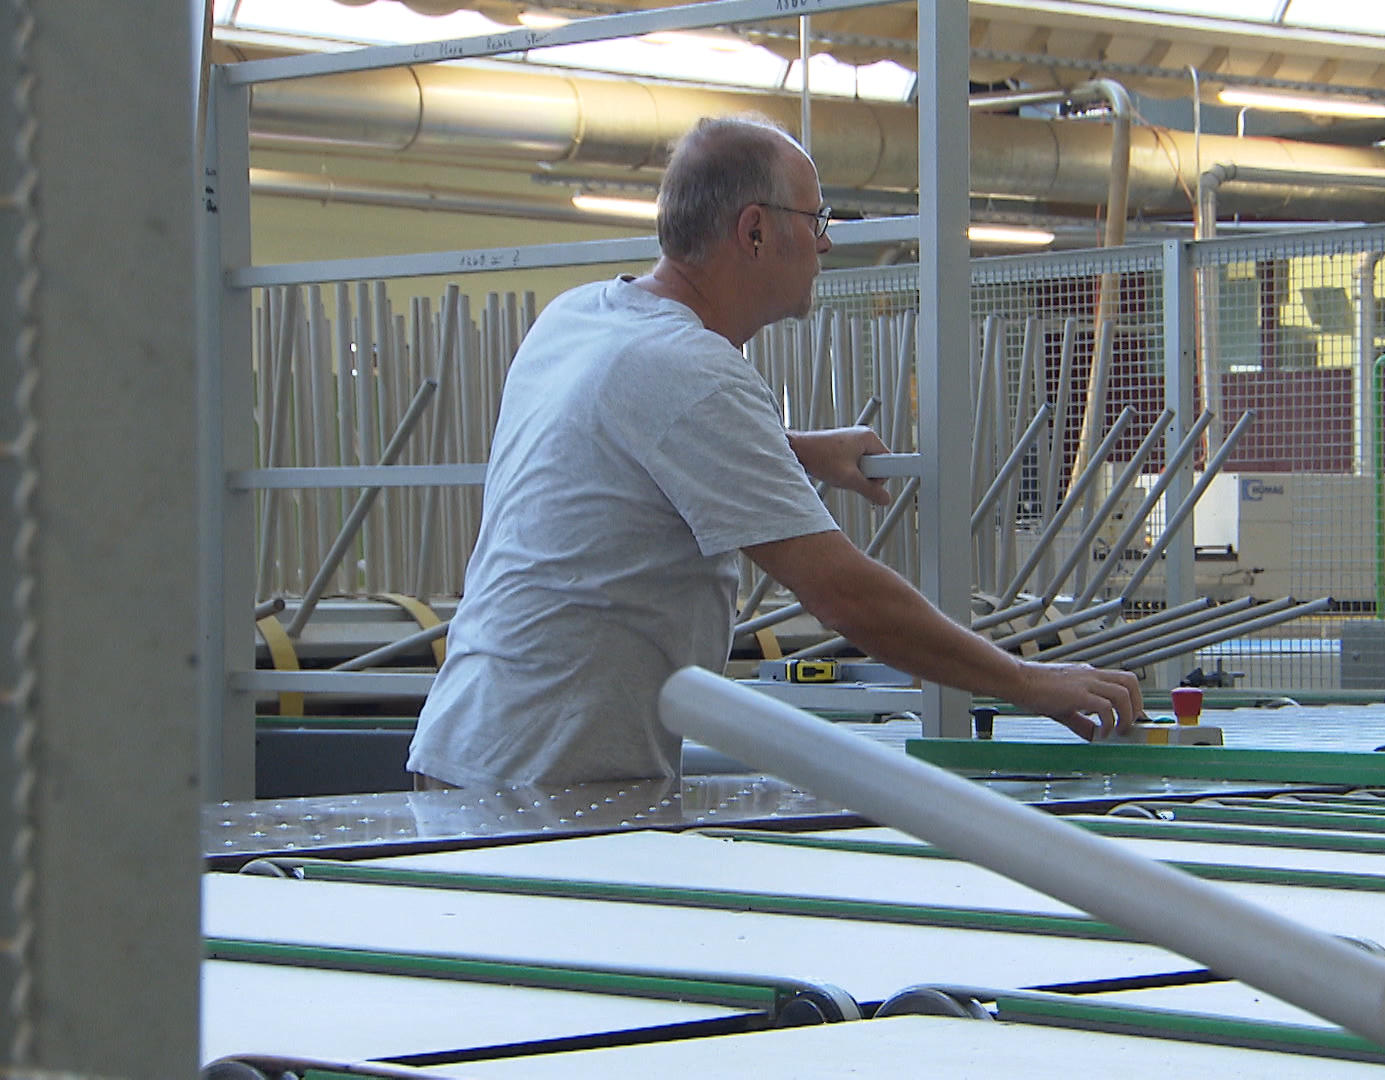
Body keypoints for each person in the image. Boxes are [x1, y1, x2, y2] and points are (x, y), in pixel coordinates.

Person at [408, 115, 1143, 789]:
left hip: (468, 744)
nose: (825, 243)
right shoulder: (690, 370)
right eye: (815, 218)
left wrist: (794, 450)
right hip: (540, 778)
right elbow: (841, 594)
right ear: (754, 231)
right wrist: (1026, 681)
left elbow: (612, 449)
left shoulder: (581, 316)